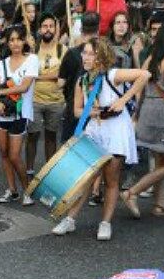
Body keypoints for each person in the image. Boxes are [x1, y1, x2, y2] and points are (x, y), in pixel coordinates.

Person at [51, 38, 148, 241]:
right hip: (95, 129)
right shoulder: (82, 80)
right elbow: (77, 111)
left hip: (116, 131)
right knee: (86, 178)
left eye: (90, 53)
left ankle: (105, 223)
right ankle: (70, 220)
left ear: (100, 56)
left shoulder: (113, 75)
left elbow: (144, 74)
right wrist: (91, 113)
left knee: (111, 180)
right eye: (84, 53)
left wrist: (123, 99)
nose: (85, 57)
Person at [122, 21, 164, 218]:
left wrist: (138, 114)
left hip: (147, 111)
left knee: (161, 159)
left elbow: (139, 89)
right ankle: (132, 192)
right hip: (163, 113)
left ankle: (160, 204)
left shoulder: (150, 59)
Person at [0, 26, 38, 205]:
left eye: (18, 39)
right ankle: (12, 190)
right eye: (11, 40)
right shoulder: (2, 63)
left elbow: (24, 87)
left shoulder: (32, 59)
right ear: (7, 43)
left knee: (15, 155)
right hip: (0, 113)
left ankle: (27, 191)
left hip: (20, 114)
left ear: (24, 40)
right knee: (4, 154)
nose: (15, 43)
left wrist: (0, 92)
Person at [26, 13, 67, 181]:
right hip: (34, 99)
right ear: (40, 29)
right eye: (45, 26)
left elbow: (62, 74)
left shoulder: (62, 50)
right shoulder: (33, 49)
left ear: (56, 29)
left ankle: (49, 172)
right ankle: (28, 171)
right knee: (32, 136)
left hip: (56, 101)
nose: (48, 29)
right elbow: (28, 73)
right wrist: (51, 75)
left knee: (51, 136)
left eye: (51, 26)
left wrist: (39, 75)